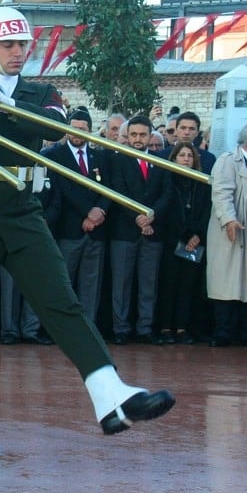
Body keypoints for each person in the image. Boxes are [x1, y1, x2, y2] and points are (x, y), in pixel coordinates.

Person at [0, 6, 174, 456]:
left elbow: (49, 126)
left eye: (23, 44)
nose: (19, 53)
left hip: (22, 208)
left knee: (61, 302)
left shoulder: (43, 92)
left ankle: (108, 392)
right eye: (8, 45)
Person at [107, 115, 173, 345]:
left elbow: (167, 194)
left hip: (153, 233)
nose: (137, 139)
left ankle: (145, 327)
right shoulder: (118, 161)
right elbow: (118, 191)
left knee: (149, 284)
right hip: (125, 232)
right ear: (127, 136)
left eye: (142, 134)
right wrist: (137, 217)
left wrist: (151, 217)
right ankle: (121, 329)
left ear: (150, 135)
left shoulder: (161, 161)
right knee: (121, 284)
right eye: (133, 134)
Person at [41, 108, 110, 329]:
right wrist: (87, 212)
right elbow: (64, 187)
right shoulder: (54, 155)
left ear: (90, 131)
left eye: (82, 129)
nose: (77, 133)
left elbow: (108, 188)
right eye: (73, 128)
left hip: (97, 230)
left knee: (91, 284)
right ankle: (61, 327)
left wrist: (99, 211)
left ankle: (87, 327)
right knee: (63, 282)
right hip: (68, 230)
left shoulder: (100, 156)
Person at [206, 122, 247, 348]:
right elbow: (222, 193)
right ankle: (223, 332)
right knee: (228, 284)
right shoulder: (227, 161)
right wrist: (229, 220)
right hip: (234, 235)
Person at [157, 143, 211, 344]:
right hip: (172, 240)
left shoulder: (201, 182)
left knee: (187, 286)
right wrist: (185, 235)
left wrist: (197, 235)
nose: (186, 159)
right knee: (169, 285)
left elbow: (206, 210)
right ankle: (164, 327)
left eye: (190, 155)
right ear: (174, 158)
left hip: (195, 242)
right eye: (182, 155)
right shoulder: (167, 179)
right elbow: (168, 211)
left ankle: (182, 328)